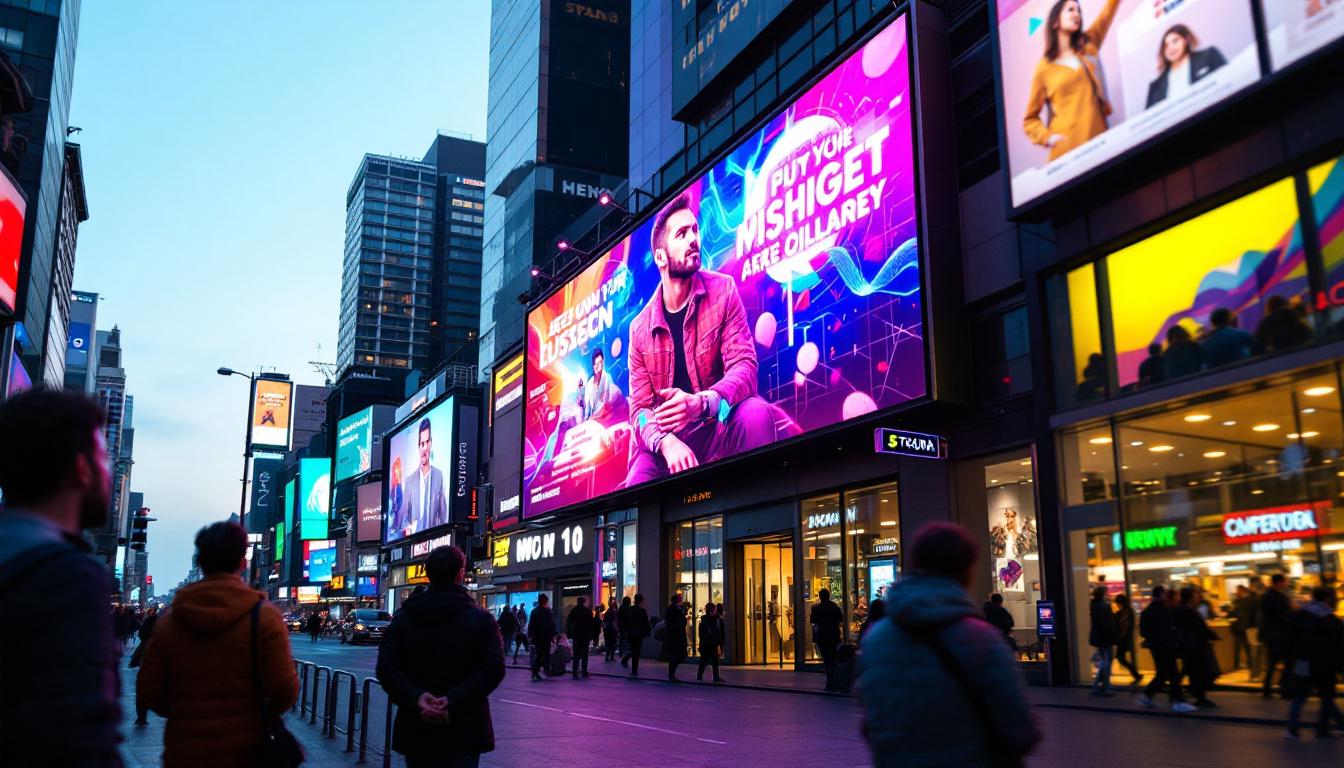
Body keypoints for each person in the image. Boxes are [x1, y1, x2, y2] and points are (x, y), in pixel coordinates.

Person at [0, 388, 122, 766]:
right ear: (82, 470)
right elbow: (77, 739)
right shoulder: (68, 577)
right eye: (103, 457)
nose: (110, 471)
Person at [858, 523, 1040, 767]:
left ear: (914, 563)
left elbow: (869, 723)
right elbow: (1021, 729)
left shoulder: (877, 638)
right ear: (966, 572)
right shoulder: (981, 639)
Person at [624, 193, 775, 486]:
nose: (694, 238)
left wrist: (701, 403)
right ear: (660, 257)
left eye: (695, 230)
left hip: (719, 421)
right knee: (636, 481)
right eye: (681, 234)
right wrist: (666, 442)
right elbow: (640, 415)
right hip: (668, 440)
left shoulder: (723, 290)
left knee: (756, 413)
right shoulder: (639, 330)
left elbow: (745, 368)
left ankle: (758, 516)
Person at [137, 522, 299, 767]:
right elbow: (284, 691)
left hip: (184, 751)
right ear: (243, 563)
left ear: (200, 563)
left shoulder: (170, 621)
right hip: (248, 751)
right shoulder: (264, 617)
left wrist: (186, 712)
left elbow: (149, 689)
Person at [377, 546, 505, 768]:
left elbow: (387, 669)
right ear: (460, 574)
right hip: (464, 727)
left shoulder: (403, 619)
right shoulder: (481, 620)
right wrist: (452, 699)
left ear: (427, 574)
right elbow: (493, 669)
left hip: (416, 726)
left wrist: (418, 698)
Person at [1022, 0, 1120, 163]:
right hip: (1065, 156)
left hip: (1099, 142)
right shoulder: (1043, 68)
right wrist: (1048, 138)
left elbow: (1107, 13)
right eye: (1070, 10)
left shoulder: (1088, 44)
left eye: (1078, 10)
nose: (1077, 14)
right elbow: (1030, 120)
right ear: (1055, 22)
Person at [1283, 586, 1344, 740]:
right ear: (1327, 599)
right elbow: (1339, 646)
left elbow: (1289, 639)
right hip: (1325, 665)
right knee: (1327, 698)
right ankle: (1322, 729)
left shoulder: (1299, 616)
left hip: (1304, 663)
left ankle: (1292, 729)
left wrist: (1290, 660)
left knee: (1300, 697)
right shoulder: (1332, 620)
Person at [1138, 586, 1196, 712]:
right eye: (1164, 593)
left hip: (1155, 647)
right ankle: (1177, 702)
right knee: (1173, 674)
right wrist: (1174, 642)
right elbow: (1170, 629)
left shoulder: (1147, 610)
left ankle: (1147, 695)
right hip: (1166, 646)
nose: (1166, 595)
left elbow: (1143, 631)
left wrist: (1152, 639)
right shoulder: (1163, 610)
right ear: (1160, 595)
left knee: (1162, 673)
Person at [1145, 24, 1226, 109]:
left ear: (1186, 40)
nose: (1170, 47)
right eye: (1166, 45)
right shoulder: (1156, 86)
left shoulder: (1209, 56)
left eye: (1175, 41)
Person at [1173, 585, 1218, 708]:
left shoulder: (1184, 610)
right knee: (1200, 671)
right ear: (1190, 597)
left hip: (1190, 646)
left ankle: (1194, 695)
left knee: (1193, 672)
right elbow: (1200, 627)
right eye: (1195, 595)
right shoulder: (1189, 610)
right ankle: (1198, 697)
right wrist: (1212, 635)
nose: (1198, 597)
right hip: (1194, 646)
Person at [402, 418, 449, 534]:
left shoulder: (439, 475)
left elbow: (443, 516)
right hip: (414, 542)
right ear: (418, 446)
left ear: (431, 443)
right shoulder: (410, 481)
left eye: (427, 442)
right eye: (422, 444)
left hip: (435, 541)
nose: (424, 448)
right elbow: (403, 518)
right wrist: (409, 529)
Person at [1259, 573, 1292, 698]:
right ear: (1279, 582)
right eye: (1285, 582)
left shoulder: (1269, 595)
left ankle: (1271, 688)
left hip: (1272, 634)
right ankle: (1280, 688)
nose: (1287, 584)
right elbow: (1278, 616)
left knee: (1274, 663)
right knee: (1282, 662)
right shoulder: (1274, 596)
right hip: (1276, 635)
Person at [131, 606, 161, 727]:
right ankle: (142, 716)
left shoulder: (151, 622)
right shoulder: (164, 624)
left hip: (147, 654)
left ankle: (141, 717)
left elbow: (141, 634)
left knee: (143, 688)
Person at [810, 588, 845, 692]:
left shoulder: (817, 608)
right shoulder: (834, 606)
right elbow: (840, 619)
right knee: (833, 656)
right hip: (833, 634)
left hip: (822, 635)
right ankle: (833, 678)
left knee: (825, 657)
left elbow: (813, 621)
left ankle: (829, 678)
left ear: (820, 597)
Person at [1088, 587, 1120, 696]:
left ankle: (1097, 685)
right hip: (1105, 638)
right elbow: (1108, 624)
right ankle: (1105, 688)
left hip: (1101, 637)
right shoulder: (1103, 607)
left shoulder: (1095, 605)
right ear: (1103, 595)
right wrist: (1115, 636)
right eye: (1107, 593)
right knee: (1106, 662)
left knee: (1105, 661)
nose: (1109, 595)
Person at [582, 348, 627, 424]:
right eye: (596, 364)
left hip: (607, 417)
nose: (598, 366)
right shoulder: (589, 384)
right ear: (593, 365)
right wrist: (586, 420)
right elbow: (587, 408)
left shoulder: (607, 377)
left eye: (600, 363)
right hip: (594, 421)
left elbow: (612, 399)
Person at [1112, 593, 1142, 687]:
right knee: (1121, 658)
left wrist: (1120, 636)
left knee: (1121, 658)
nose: (1116, 605)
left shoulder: (1126, 612)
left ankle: (1137, 675)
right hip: (1125, 638)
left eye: (1117, 603)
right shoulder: (1127, 611)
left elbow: (1124, 625)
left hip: (1124, 639)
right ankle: (1136, 675)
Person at [528, 594, 557, 681]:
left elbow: (531, 625)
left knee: (540, 654)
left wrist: (530, 635)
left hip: (537, 637)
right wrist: (553, 635)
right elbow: (551, 625)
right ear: (545, 601)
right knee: (545, 655)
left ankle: (537, 671)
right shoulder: (547, 612)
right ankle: (538, 670)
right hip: (545, 637)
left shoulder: (534, 611)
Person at [565, 596, 595, 678]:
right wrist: (592, 635)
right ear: (584, 602)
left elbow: (569, 621)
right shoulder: (587, 611)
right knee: (585, 654)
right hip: (585, 635)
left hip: (576, 634)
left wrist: (568, 633)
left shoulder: (574, 610)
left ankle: (575, 672)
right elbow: (591, 624)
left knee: (576, 654)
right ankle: (584, 671)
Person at [1230, 585, 1257, 671]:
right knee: (1244, 647)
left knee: (1242, 647)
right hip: (1243, 627)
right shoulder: (1241, 601)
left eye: (1238, 590)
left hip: (1243, 627)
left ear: (1242, 591)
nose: (1237, 592)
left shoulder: (1242, 601)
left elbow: (1233, 613)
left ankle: (1240, 664)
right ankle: (1247, 664)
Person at [623, 594, 651, 676]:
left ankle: (629, 664)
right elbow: (646, 623)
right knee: (636, 651)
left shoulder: (630, 609)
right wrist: (647, 632)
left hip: (631, 633)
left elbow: (626, 621)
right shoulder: (642, 611)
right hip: (639, 633)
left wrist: (626, 631)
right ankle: (634, 670)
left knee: (633, 649)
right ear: (641, 601)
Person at [664, 592, 689, 681]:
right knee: (676, 655)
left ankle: (672, 673)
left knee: (678, 655)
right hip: (675, 636)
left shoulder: (676, 609)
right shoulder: (673, 610)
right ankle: (671, 674)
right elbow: (676, 623)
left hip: (677, 635)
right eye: (680, 600)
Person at [697, 603, 724, 683]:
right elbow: (713, 632)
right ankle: (714, 677)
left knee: (706, 660)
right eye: (715, 609)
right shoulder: (710, 620)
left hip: (707, 643)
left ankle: (701, 676)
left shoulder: (706, 619)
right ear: (712, 610)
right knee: (708, 660)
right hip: (709, 643)